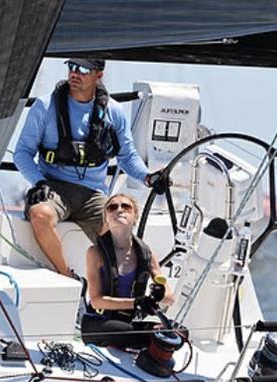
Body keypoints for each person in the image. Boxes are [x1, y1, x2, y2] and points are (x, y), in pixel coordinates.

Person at [14, 58, 168, 277]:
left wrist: (148, 178)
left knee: (120, 224)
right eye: (72, 67)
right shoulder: (44, 106)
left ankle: (152, 283)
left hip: (93, 194)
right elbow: (22, 153)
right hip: (53, 188)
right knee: (40, 214)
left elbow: (127, 156)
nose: (75, 74)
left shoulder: (113, 111)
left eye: (84, 69)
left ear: (99, 75)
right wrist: (38, 181)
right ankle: (66, 275)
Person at [82, 193, 174, 349]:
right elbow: (97, 300)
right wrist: (136, 303)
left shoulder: (146, 254)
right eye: (112, 207)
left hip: (128, 322)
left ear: (135, 217)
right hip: (99, 322)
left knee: (178, 331)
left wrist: (159, 294)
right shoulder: (95, 253)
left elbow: (169, 298)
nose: (119, 210)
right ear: (106, 219)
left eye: (126, 207)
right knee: (123, 331)